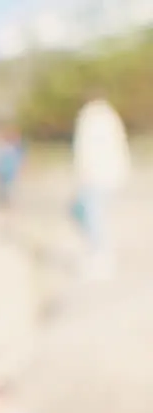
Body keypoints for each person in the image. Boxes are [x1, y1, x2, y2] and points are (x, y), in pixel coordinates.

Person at [71, 92, 130, 279]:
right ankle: (100, 252)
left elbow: (88, 150)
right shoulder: (106, 115)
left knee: (93, 215)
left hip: (97, 175)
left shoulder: (93, 117)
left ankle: (101, 255)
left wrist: (85, 172)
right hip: (105, 174)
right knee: (89, 213)